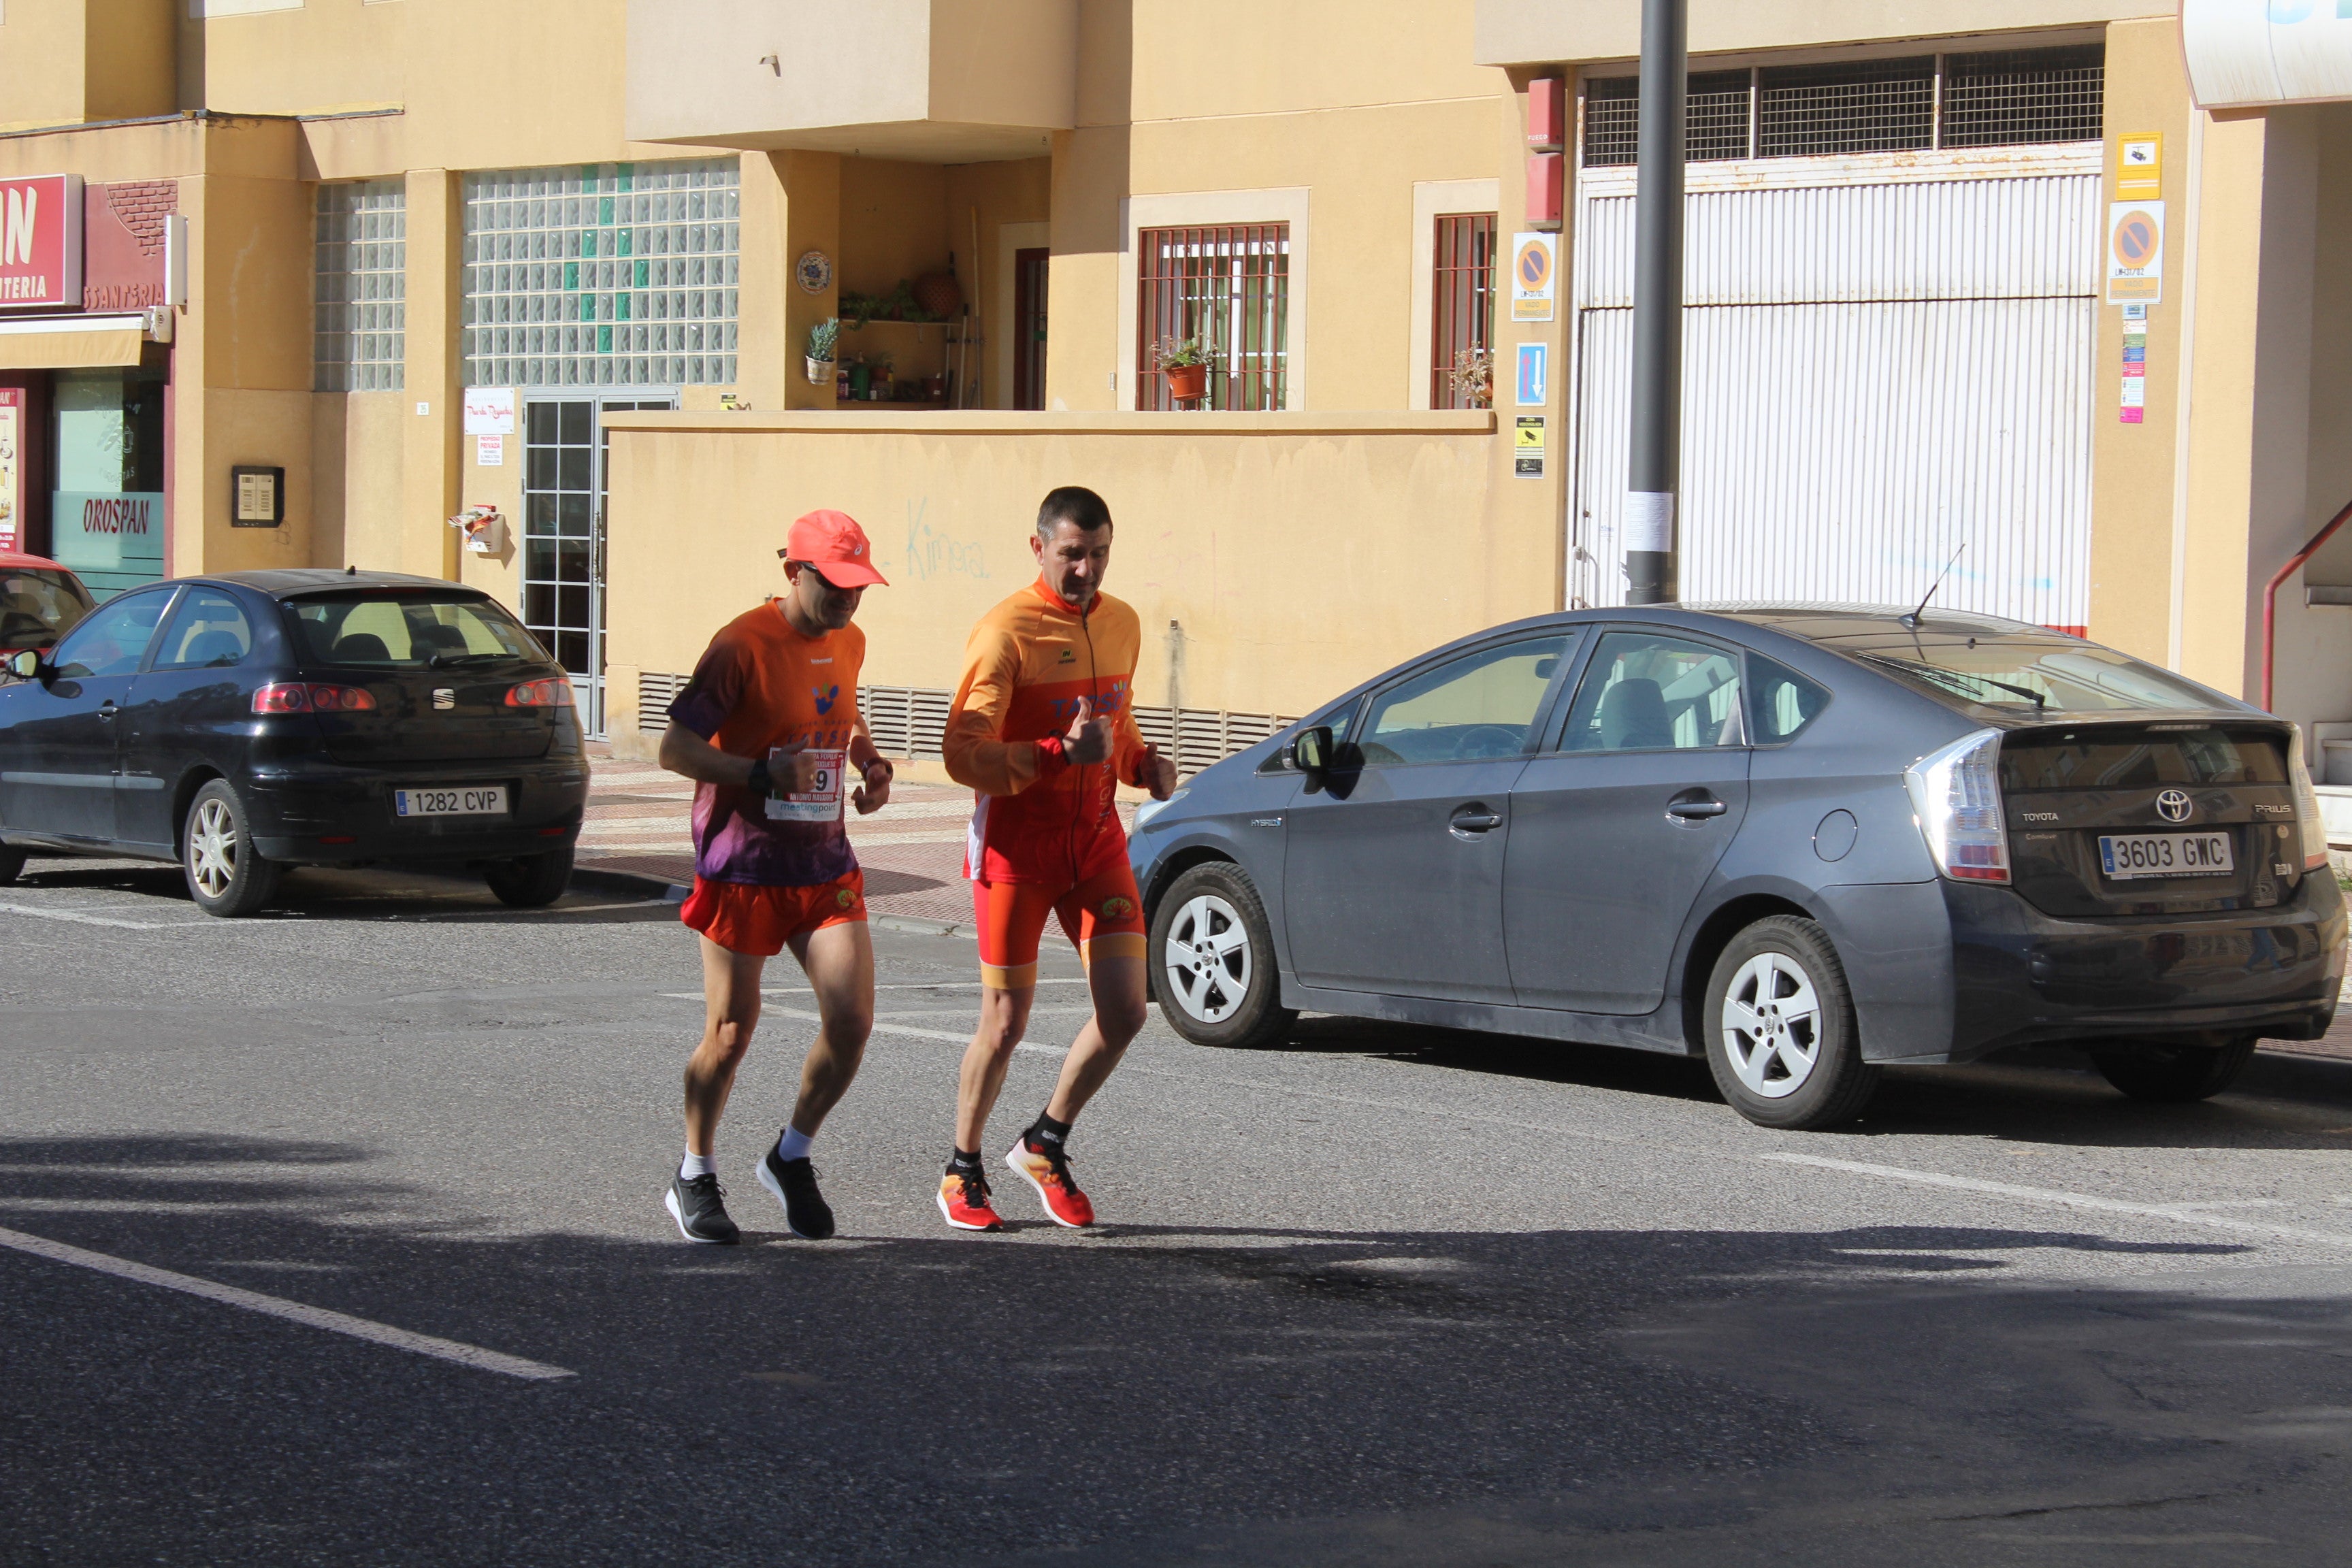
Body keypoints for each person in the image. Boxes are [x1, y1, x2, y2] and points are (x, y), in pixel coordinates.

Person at [938, 485, 1179, 1230]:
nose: (1087, 570)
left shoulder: (1122, 623)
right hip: (1018, 848)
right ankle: (962, 1167)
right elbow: (961, 752)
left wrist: (1142, 764)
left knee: (1126, 1010)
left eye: (1100, 554)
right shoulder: (1006, 631)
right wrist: (1052, 753)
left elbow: (1118, 723)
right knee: (1005, 1023)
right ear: (1038, 547)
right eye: (1073, 553)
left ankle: (1046, 1141)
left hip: (1097, 843)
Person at [656, 508, 894, 1244]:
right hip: (745, 864)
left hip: (823, 861)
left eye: (859, 586)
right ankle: (694, 1173)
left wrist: (871, 763)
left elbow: (844, 717)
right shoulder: (740, 645)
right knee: (729, 1034)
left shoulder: (849, 639)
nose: (848, 600)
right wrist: (757, 771)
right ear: (794, 572)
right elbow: (674, 746)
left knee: (851, 1022)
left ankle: (792, 1156)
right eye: (835, 585)